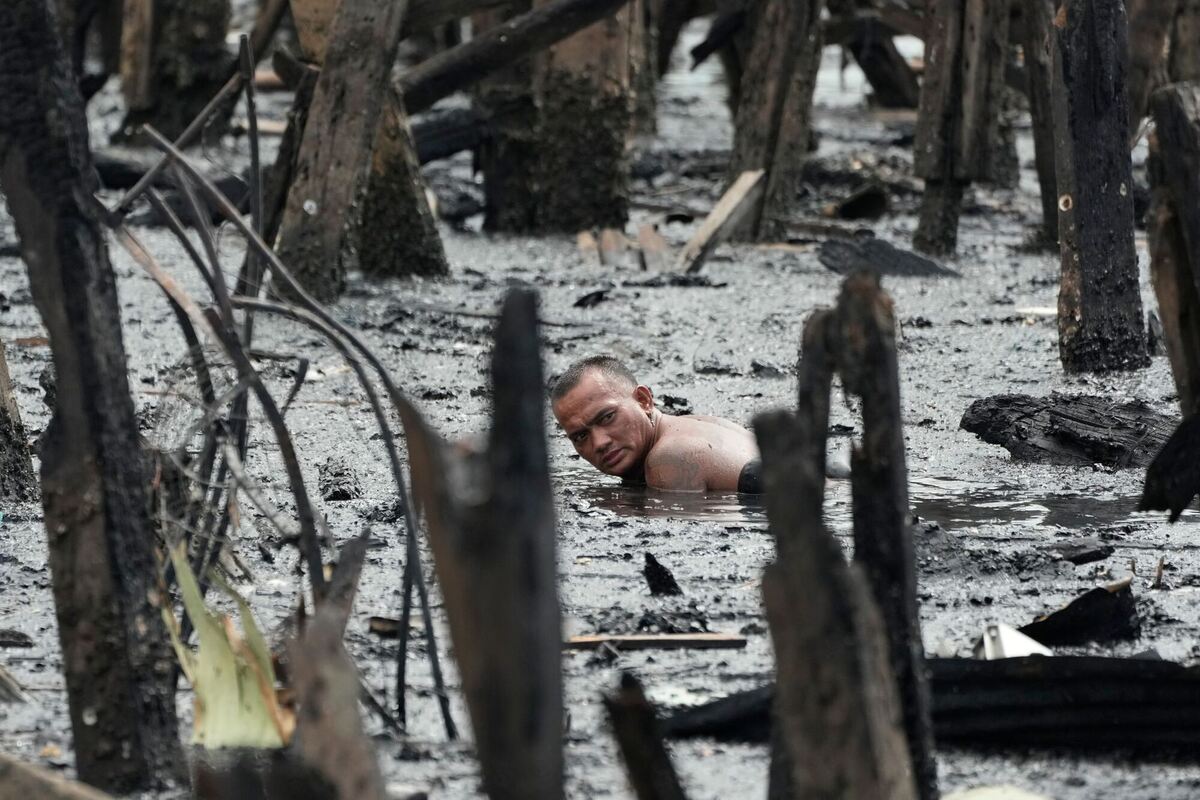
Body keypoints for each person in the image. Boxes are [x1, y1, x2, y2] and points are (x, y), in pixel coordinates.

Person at [549, 355, 766, 493]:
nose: (599, 443)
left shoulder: (668, 460)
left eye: (607, 417)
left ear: (643, 400)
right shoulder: (698, 424)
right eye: (580, 436)